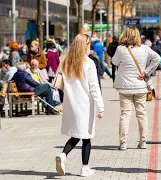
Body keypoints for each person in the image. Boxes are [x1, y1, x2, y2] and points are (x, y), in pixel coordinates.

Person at [55, 33, 104, 177]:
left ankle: (63, 155)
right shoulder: (88, 63)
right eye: (88, 44)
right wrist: (101, 107)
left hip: (70, 104)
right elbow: (94, 87)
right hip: (85, 104)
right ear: (84, 46)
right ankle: (85, 167)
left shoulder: (65, 61)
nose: (90, 46)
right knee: (87, 136)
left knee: (77, 134)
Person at [112, 27, 160, 151]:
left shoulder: (120, 49)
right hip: (140, 86)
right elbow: (157, 58)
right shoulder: (145, 49)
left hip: (124, 87)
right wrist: (147, 72)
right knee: (142, 114)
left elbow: (114, 62)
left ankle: (123, 143)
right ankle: (143, 141)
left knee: (125, 115)